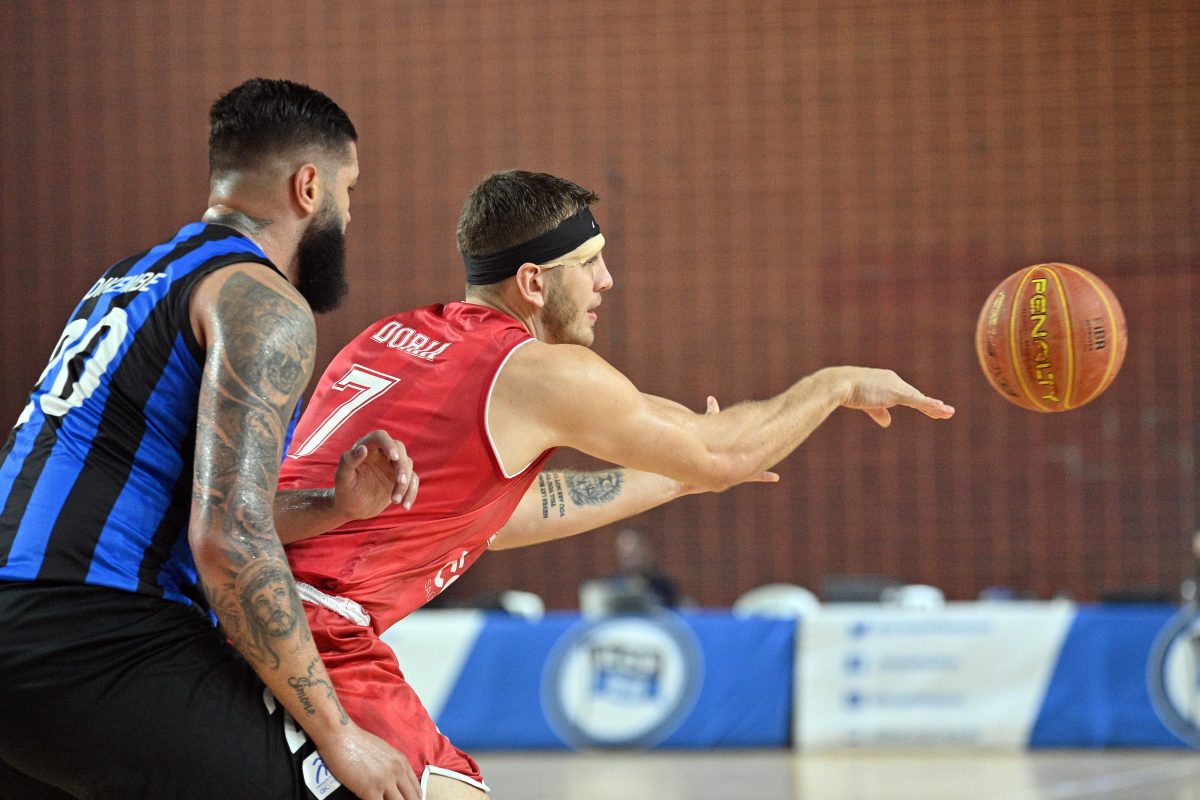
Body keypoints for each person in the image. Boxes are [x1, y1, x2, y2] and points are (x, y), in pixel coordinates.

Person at [277, 169, 955, 796]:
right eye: (589, 262)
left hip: (254, 580)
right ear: (534, 283)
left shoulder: (391, 335)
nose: (606, 280)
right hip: (316, 623)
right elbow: (720, 452)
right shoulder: (536, 372)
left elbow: (496, 518)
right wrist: (834, 385)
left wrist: (674, 482)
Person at [0, 78, 422, 800]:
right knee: (349, 789)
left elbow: (193, 502)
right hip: (97, 630)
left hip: (25, 623)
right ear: (309, 186)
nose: (350, 213)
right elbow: (228, 538)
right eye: (348, 189)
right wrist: (339, 735)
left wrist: (334, 506)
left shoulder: (128, 278)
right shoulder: (261, 300)